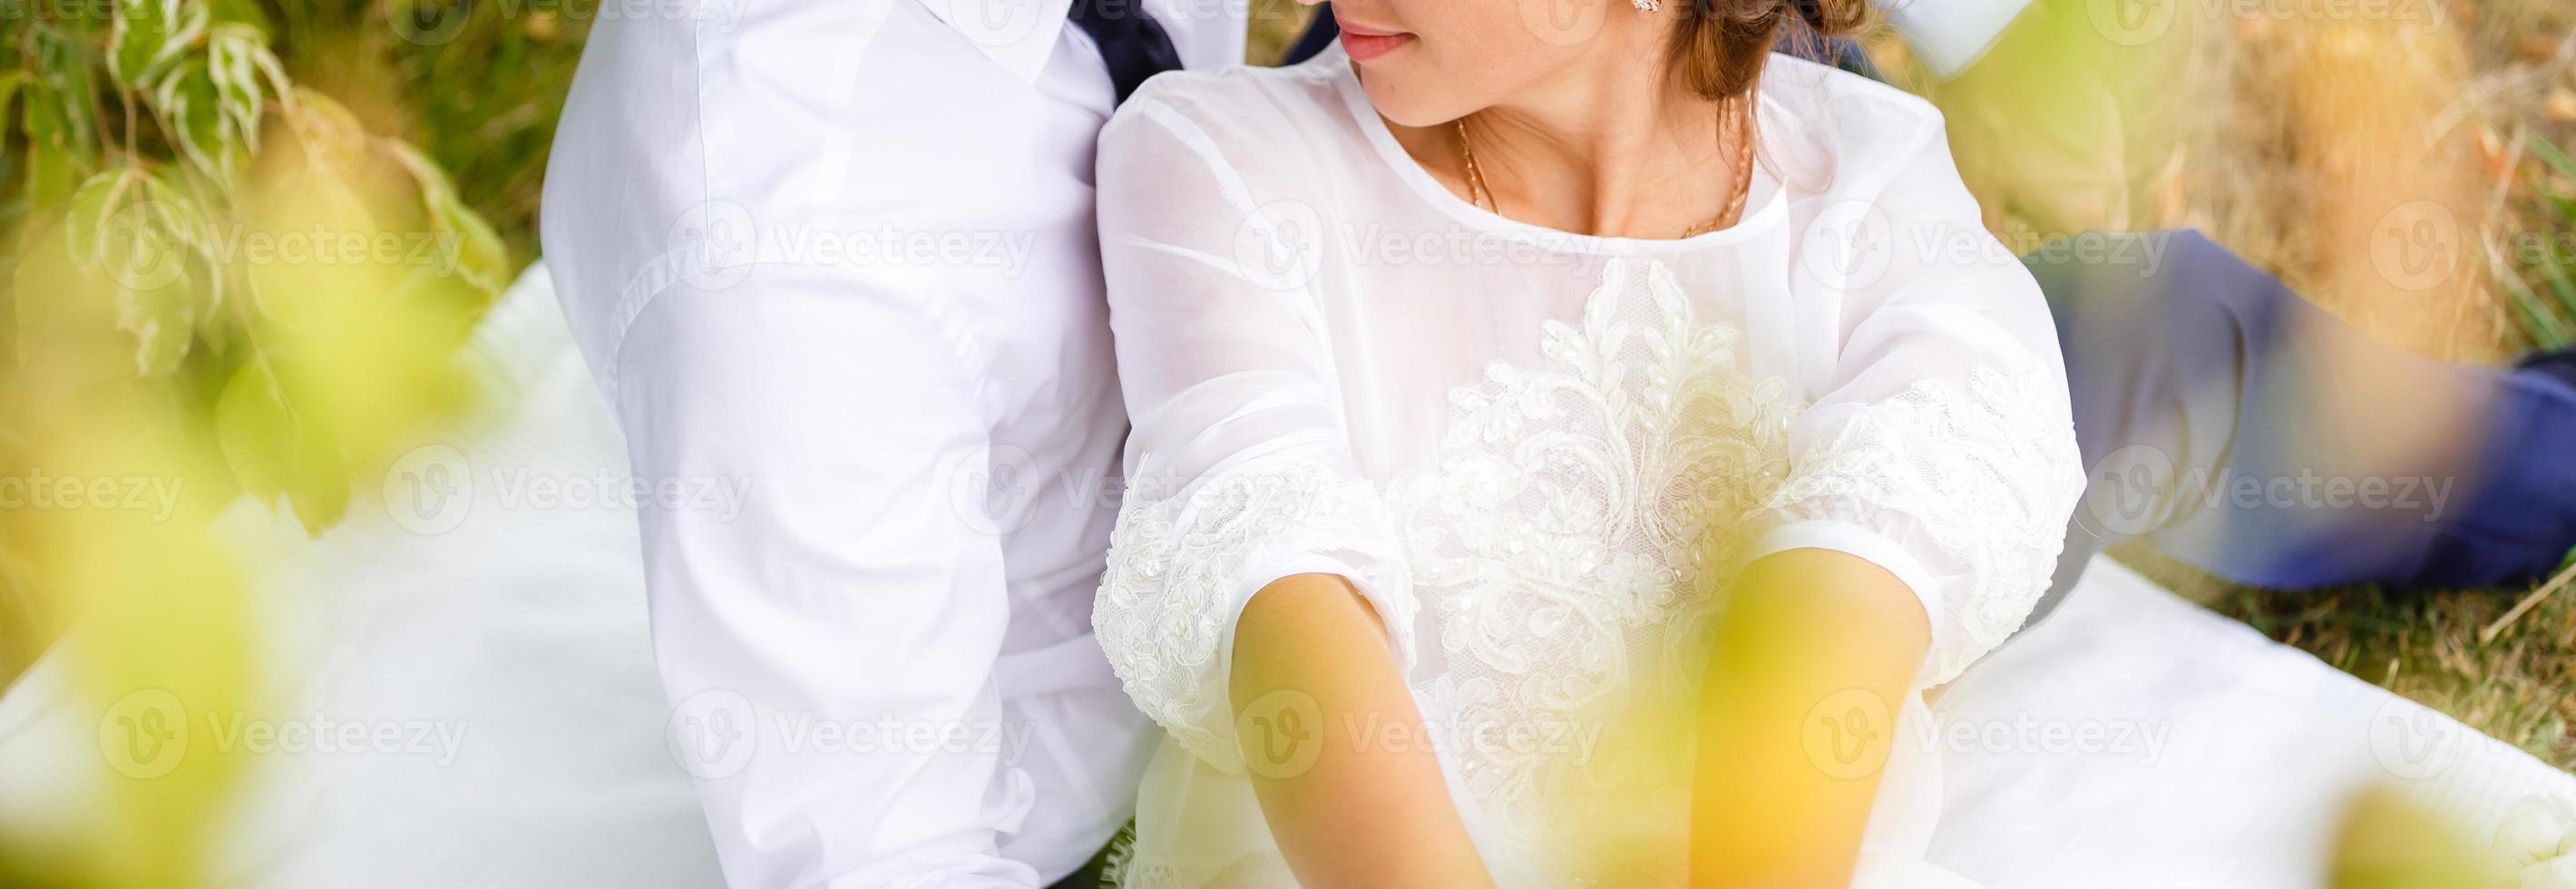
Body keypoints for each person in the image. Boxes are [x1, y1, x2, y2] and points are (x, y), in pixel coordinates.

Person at [538, 1, 2576, 887]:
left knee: (2088, 336)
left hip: (1678, 312)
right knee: (2134, 343)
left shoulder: (1858, 191)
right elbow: (1265, 581)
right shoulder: (789, 234)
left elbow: (1836, 591)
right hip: (1322, 600)